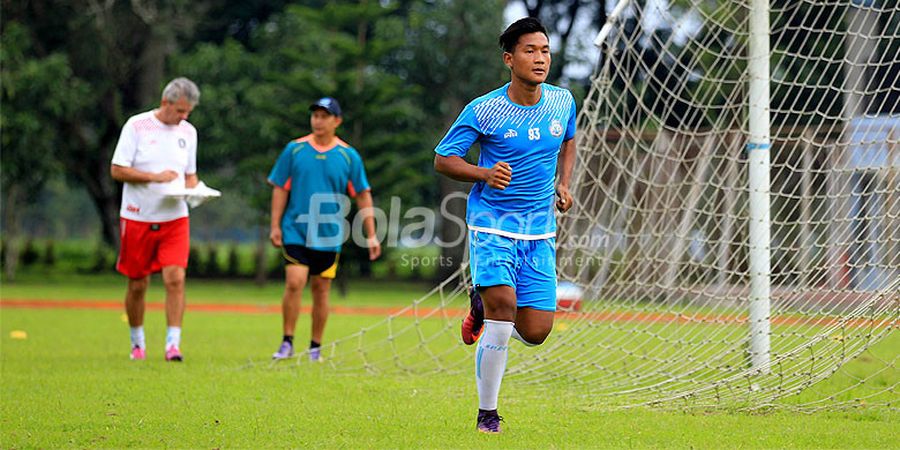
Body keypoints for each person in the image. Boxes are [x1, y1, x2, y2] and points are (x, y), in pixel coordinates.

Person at [433, 17, 577, 434]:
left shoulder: (563, 101)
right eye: (530, 51)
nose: (540, 58)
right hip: (492, 226)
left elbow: (568, 139)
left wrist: (564, 183)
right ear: (509, 59)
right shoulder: (484, 109)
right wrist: (483, 174)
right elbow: (444, 159)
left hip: (540, 232)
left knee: (536, 331)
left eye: (545, 50)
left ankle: (481, 308)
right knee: (504, 311)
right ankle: (487, 415)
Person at [268, 97, 382, 362]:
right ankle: (287, 342)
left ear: (337, 121)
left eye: (324, 116)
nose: (318, 120)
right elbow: (279, 188)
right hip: (295, 229)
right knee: (294, 282)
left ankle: (315, 347)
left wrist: (371, 233)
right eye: (315, 115)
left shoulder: (348, 155)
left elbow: (363, 195)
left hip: (329, 235)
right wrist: (275, 225)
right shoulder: (294, 150)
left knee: (321, 289)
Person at [110, 77, 202, 362]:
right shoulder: (136, 126)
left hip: (175, 218)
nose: (184, 117)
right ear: (166, 103)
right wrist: (154, 177)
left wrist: (196, 190)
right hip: (138, 216)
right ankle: (137, 343)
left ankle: (173, 345)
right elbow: (117, 170)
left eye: (188, 112)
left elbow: (190, 175)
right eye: (180, 111)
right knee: (137, 284)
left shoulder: (189, 132)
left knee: (175, 278)